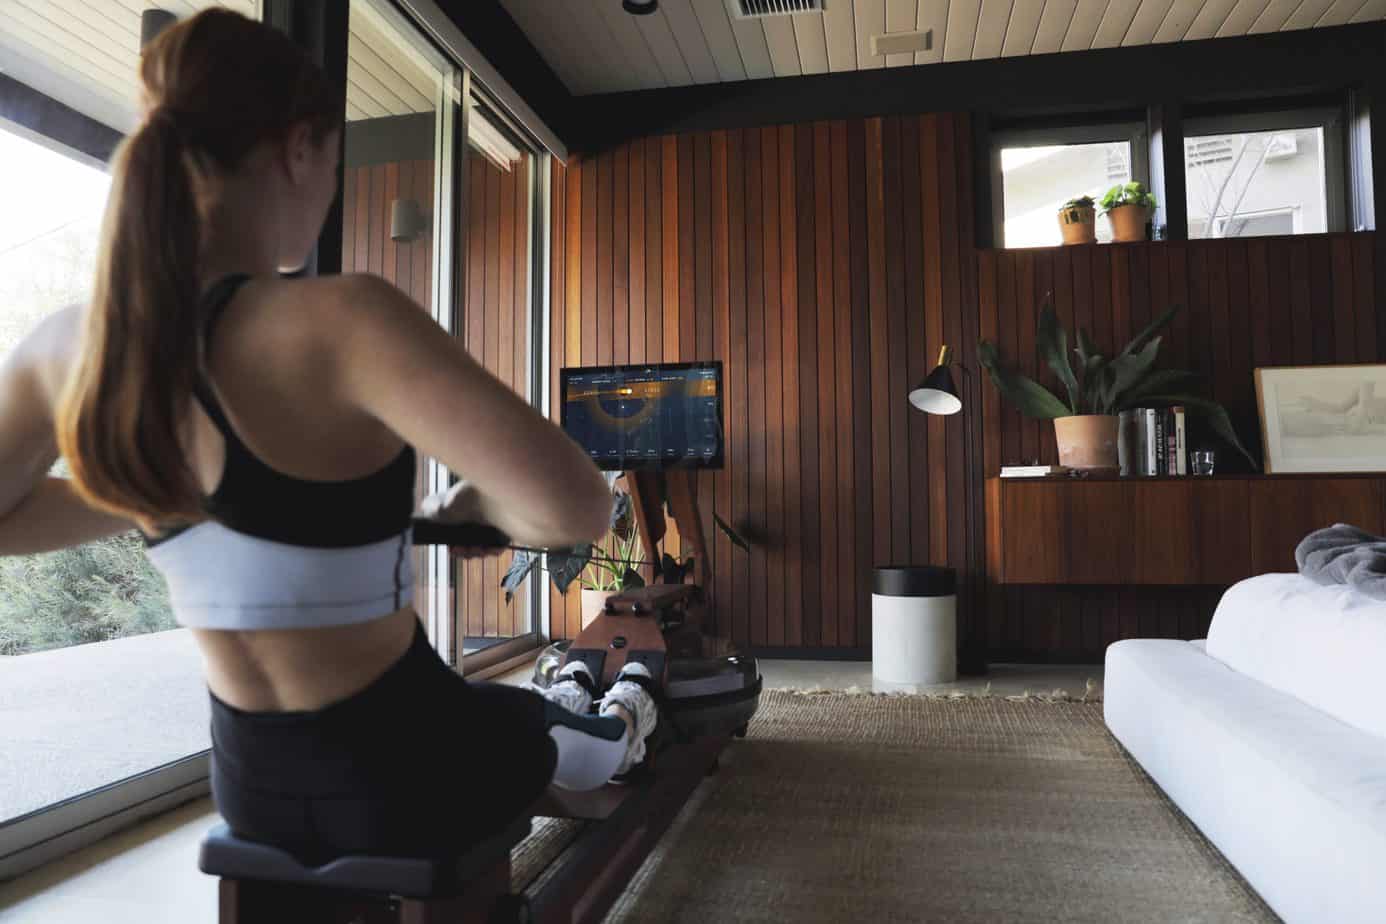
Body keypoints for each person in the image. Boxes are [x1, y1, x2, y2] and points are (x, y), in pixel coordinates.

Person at [0, 9, 655, 863]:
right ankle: (620, 718)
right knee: (542, 728)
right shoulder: (342, 318)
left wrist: (176, 498)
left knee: (509, 717)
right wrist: (471, 503)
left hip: (251, 786)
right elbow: (576, 508)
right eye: (334, 164)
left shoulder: (69, 344)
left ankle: (577, 726)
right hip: (407, 775)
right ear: (298, 146)